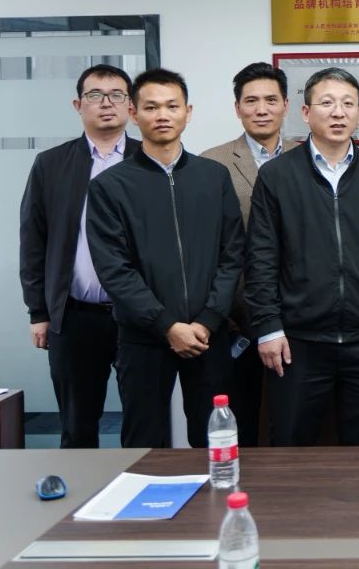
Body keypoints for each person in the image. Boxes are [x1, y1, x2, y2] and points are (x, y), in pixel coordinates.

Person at [245, 67, 359, 446]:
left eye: (348, 104)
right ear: (306, 113)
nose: (338, 112)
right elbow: (262, 257)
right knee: (291, 444)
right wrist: (268, 326)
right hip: (299, 342)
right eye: (327, 103)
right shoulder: (277, 175)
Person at [86, 68, 244, 448]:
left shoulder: (214, 176)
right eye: (151, 107)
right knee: (144, 442)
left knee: (214, 438)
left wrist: (207, 320)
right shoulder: (110, 186)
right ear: (133, 113)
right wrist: (167, 325)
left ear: (187, 112)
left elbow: (232, 253)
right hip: (143, 337)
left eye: (172, 106)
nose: (162, 115)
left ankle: (214, 491)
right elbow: (114, 269)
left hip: (208, 334)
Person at [20, 64, 140, 448]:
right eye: (94, 95)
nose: (106, 103)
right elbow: (34, 241)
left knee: (143, 421)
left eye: (116, 95)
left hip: (139, 316)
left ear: (130, 105)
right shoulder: (51, 164)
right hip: (74, 316)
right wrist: (39, 312)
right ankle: (79, 489)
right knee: (77, 425)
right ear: (78, 104)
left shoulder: (148, 160)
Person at [200, 61, 298, 448]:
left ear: (286, 105)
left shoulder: (306, 157)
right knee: (239, 418)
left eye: (271, 100)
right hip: (235, 317)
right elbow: (207, 247)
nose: (261, 109)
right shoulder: (212, 162)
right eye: (251, 101)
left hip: (298, 314)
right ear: (237, 107)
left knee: (290, 421)